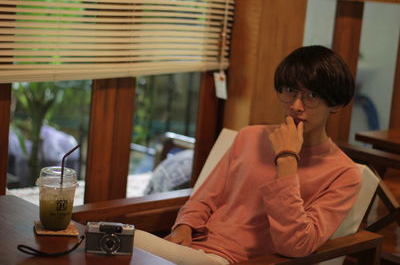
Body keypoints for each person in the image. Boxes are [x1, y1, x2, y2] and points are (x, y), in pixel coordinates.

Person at [133, 45, 361, 264]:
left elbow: (295, 245)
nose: (296, 105)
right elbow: (205, 198)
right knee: (115, 240)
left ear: (336, 104)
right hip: (194, 250)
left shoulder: (344, 174)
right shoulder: (250, 136)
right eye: (290, 91)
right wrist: (183, 227)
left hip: (237, 261)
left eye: (311, 95)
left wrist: (287, 158)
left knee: (127, 241)